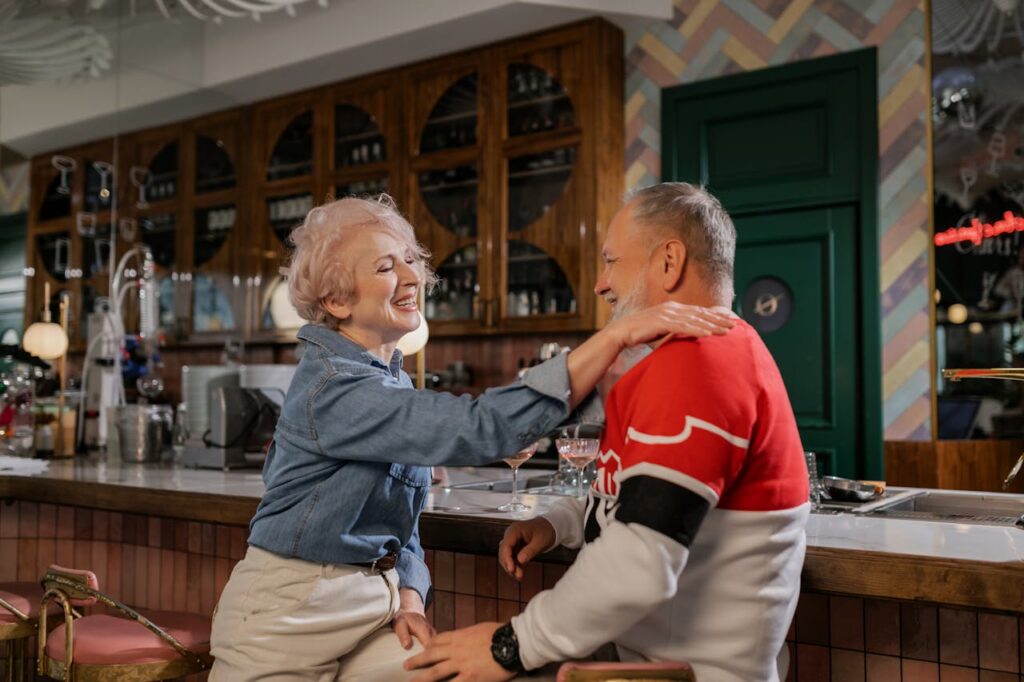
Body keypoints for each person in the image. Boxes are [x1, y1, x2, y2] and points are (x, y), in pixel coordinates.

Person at [208, 194, 736, 681]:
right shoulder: (333, 388)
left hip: (373, 612)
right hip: (285, 617)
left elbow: (399, 518)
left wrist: (411, 593)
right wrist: (614, 336)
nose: (412, 274)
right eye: (385, 266)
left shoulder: (386, 378)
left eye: (411, 257)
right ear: (337, 300)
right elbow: (481, 429)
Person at [406, 183, 809, 682]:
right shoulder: (702, 356)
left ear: (669, 262)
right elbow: (639, 496)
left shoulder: (699, 364)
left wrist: (509, 645)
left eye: (611, 261)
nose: (600, 284)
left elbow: (640, 561)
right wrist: (561, 522)